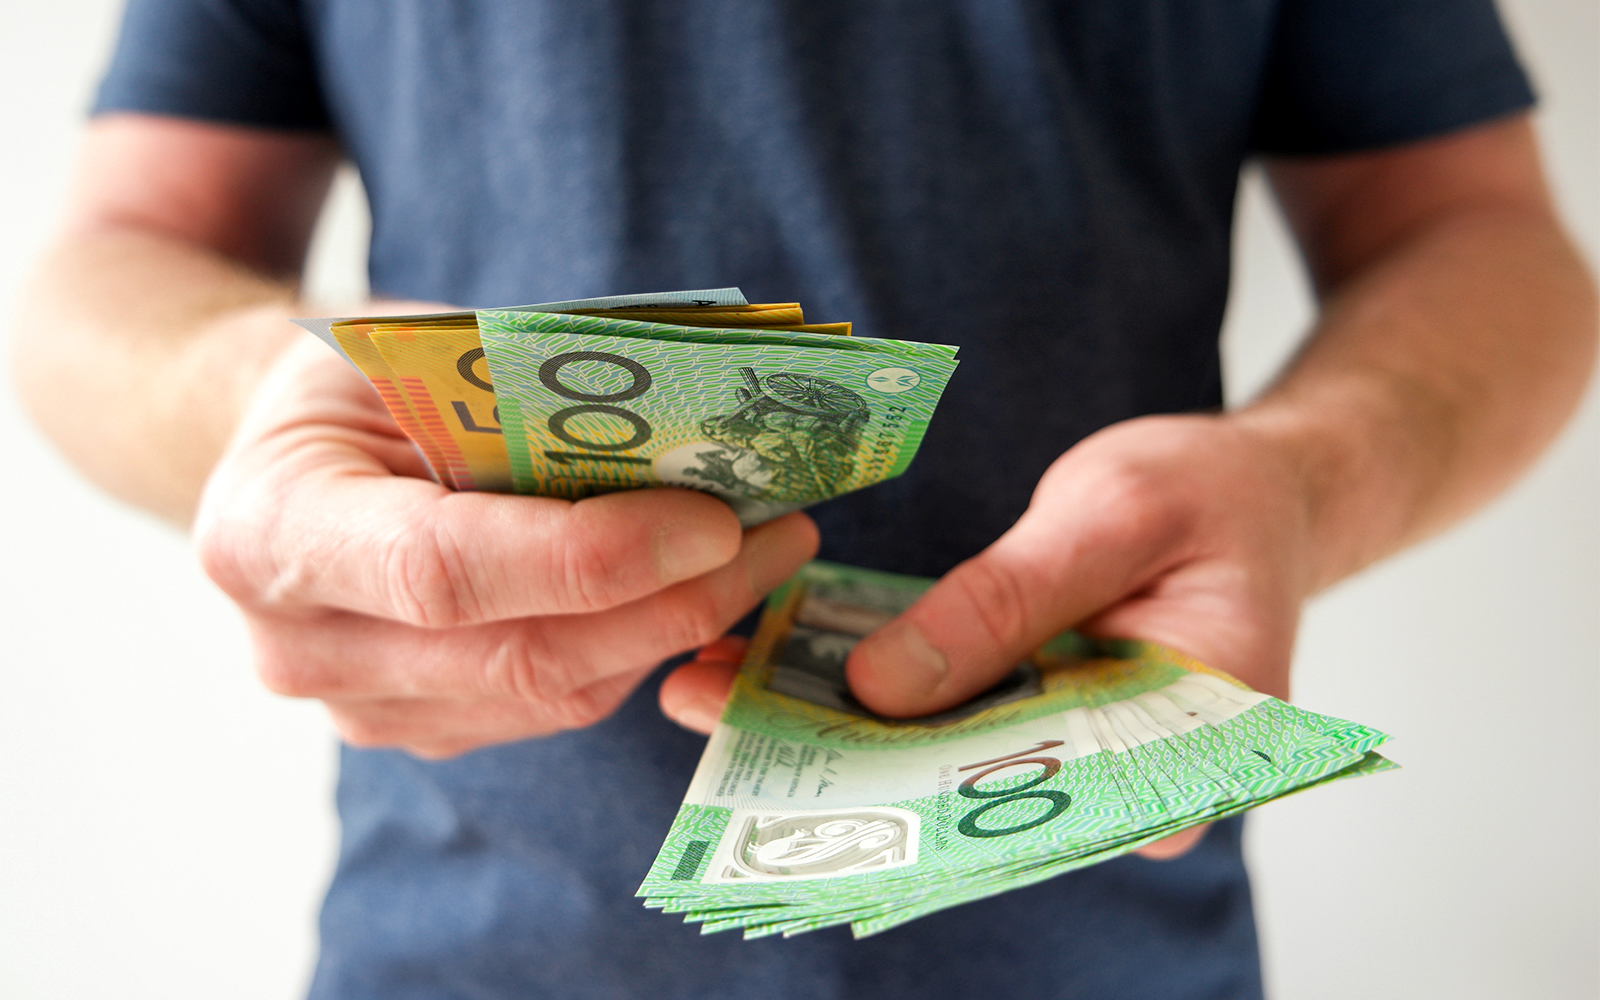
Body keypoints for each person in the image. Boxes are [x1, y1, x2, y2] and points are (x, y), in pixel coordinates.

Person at [13, 0, 1594, 996]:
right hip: (468, 936)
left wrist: (1313, 476)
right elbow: (111, 259)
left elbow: (1480, 236)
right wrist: (266, 415)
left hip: (1106, 937)